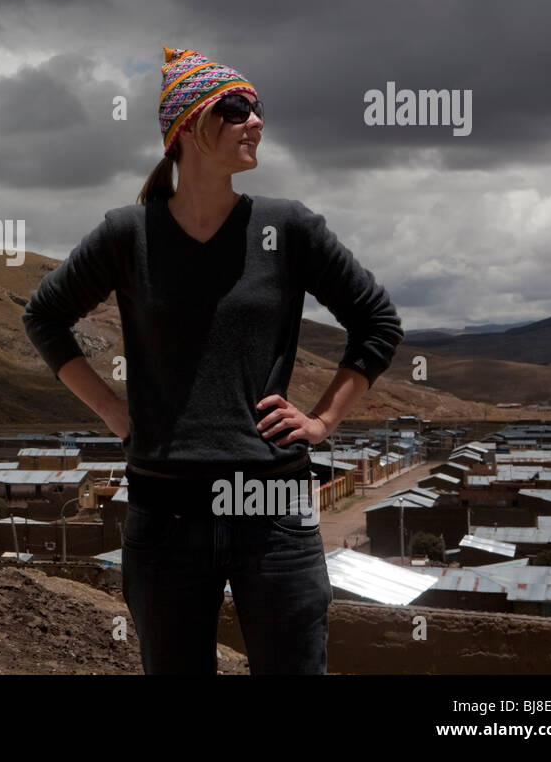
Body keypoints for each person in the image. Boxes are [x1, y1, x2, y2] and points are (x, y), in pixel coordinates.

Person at [21, 46, 404, 674]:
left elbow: (377, 322)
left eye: (256, 108)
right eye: (235, 108)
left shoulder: (289, 228)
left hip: (272, 507)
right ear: (188, 128)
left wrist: (324, 422)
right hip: (164, 513)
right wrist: (117, 414)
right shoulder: (129, 234)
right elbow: (44, 317)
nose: (255, 120)